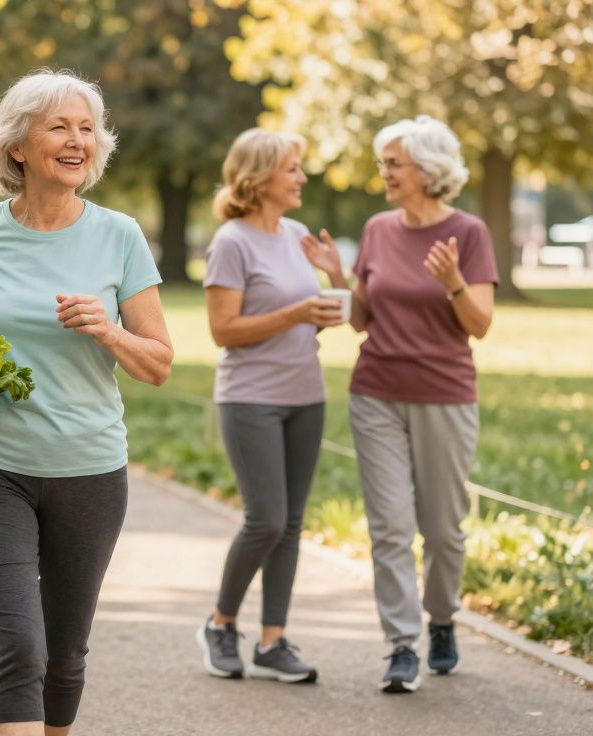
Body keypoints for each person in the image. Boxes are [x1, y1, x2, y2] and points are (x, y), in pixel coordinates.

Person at [0, 71, 173, 736]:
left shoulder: (120, 236)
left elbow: (159, 363)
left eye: (86, 128)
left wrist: (107, 329)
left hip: (90, 470)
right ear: (17, 146)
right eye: (60, 127)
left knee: (66, 655)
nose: (78, 140)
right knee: (19, 645)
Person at [348, 115, 497, 694]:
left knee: (442, 530)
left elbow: (480, 325)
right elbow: (362, 316)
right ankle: (401, 644)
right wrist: (336, 275)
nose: (383, 172)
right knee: (389, 527)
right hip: (376, 392)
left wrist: (455, 281)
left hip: (444, 394)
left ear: (428, 170)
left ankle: (441, 620)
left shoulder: (469, 232)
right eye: (384, 162)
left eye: (393, 163)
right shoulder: (378, 229)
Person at [195, 129, 347, 684]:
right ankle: (220, 624)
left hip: (306, 395)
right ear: (259, 178)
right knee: (266, 520)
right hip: (250, 398)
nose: (302, 178)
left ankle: (272, 641)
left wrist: (334, 274)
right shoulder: (231, 242)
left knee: (291, 525)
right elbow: (222, 331)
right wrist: (295, 314)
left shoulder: (298, 234)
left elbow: (332, 308)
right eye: (292, 169)